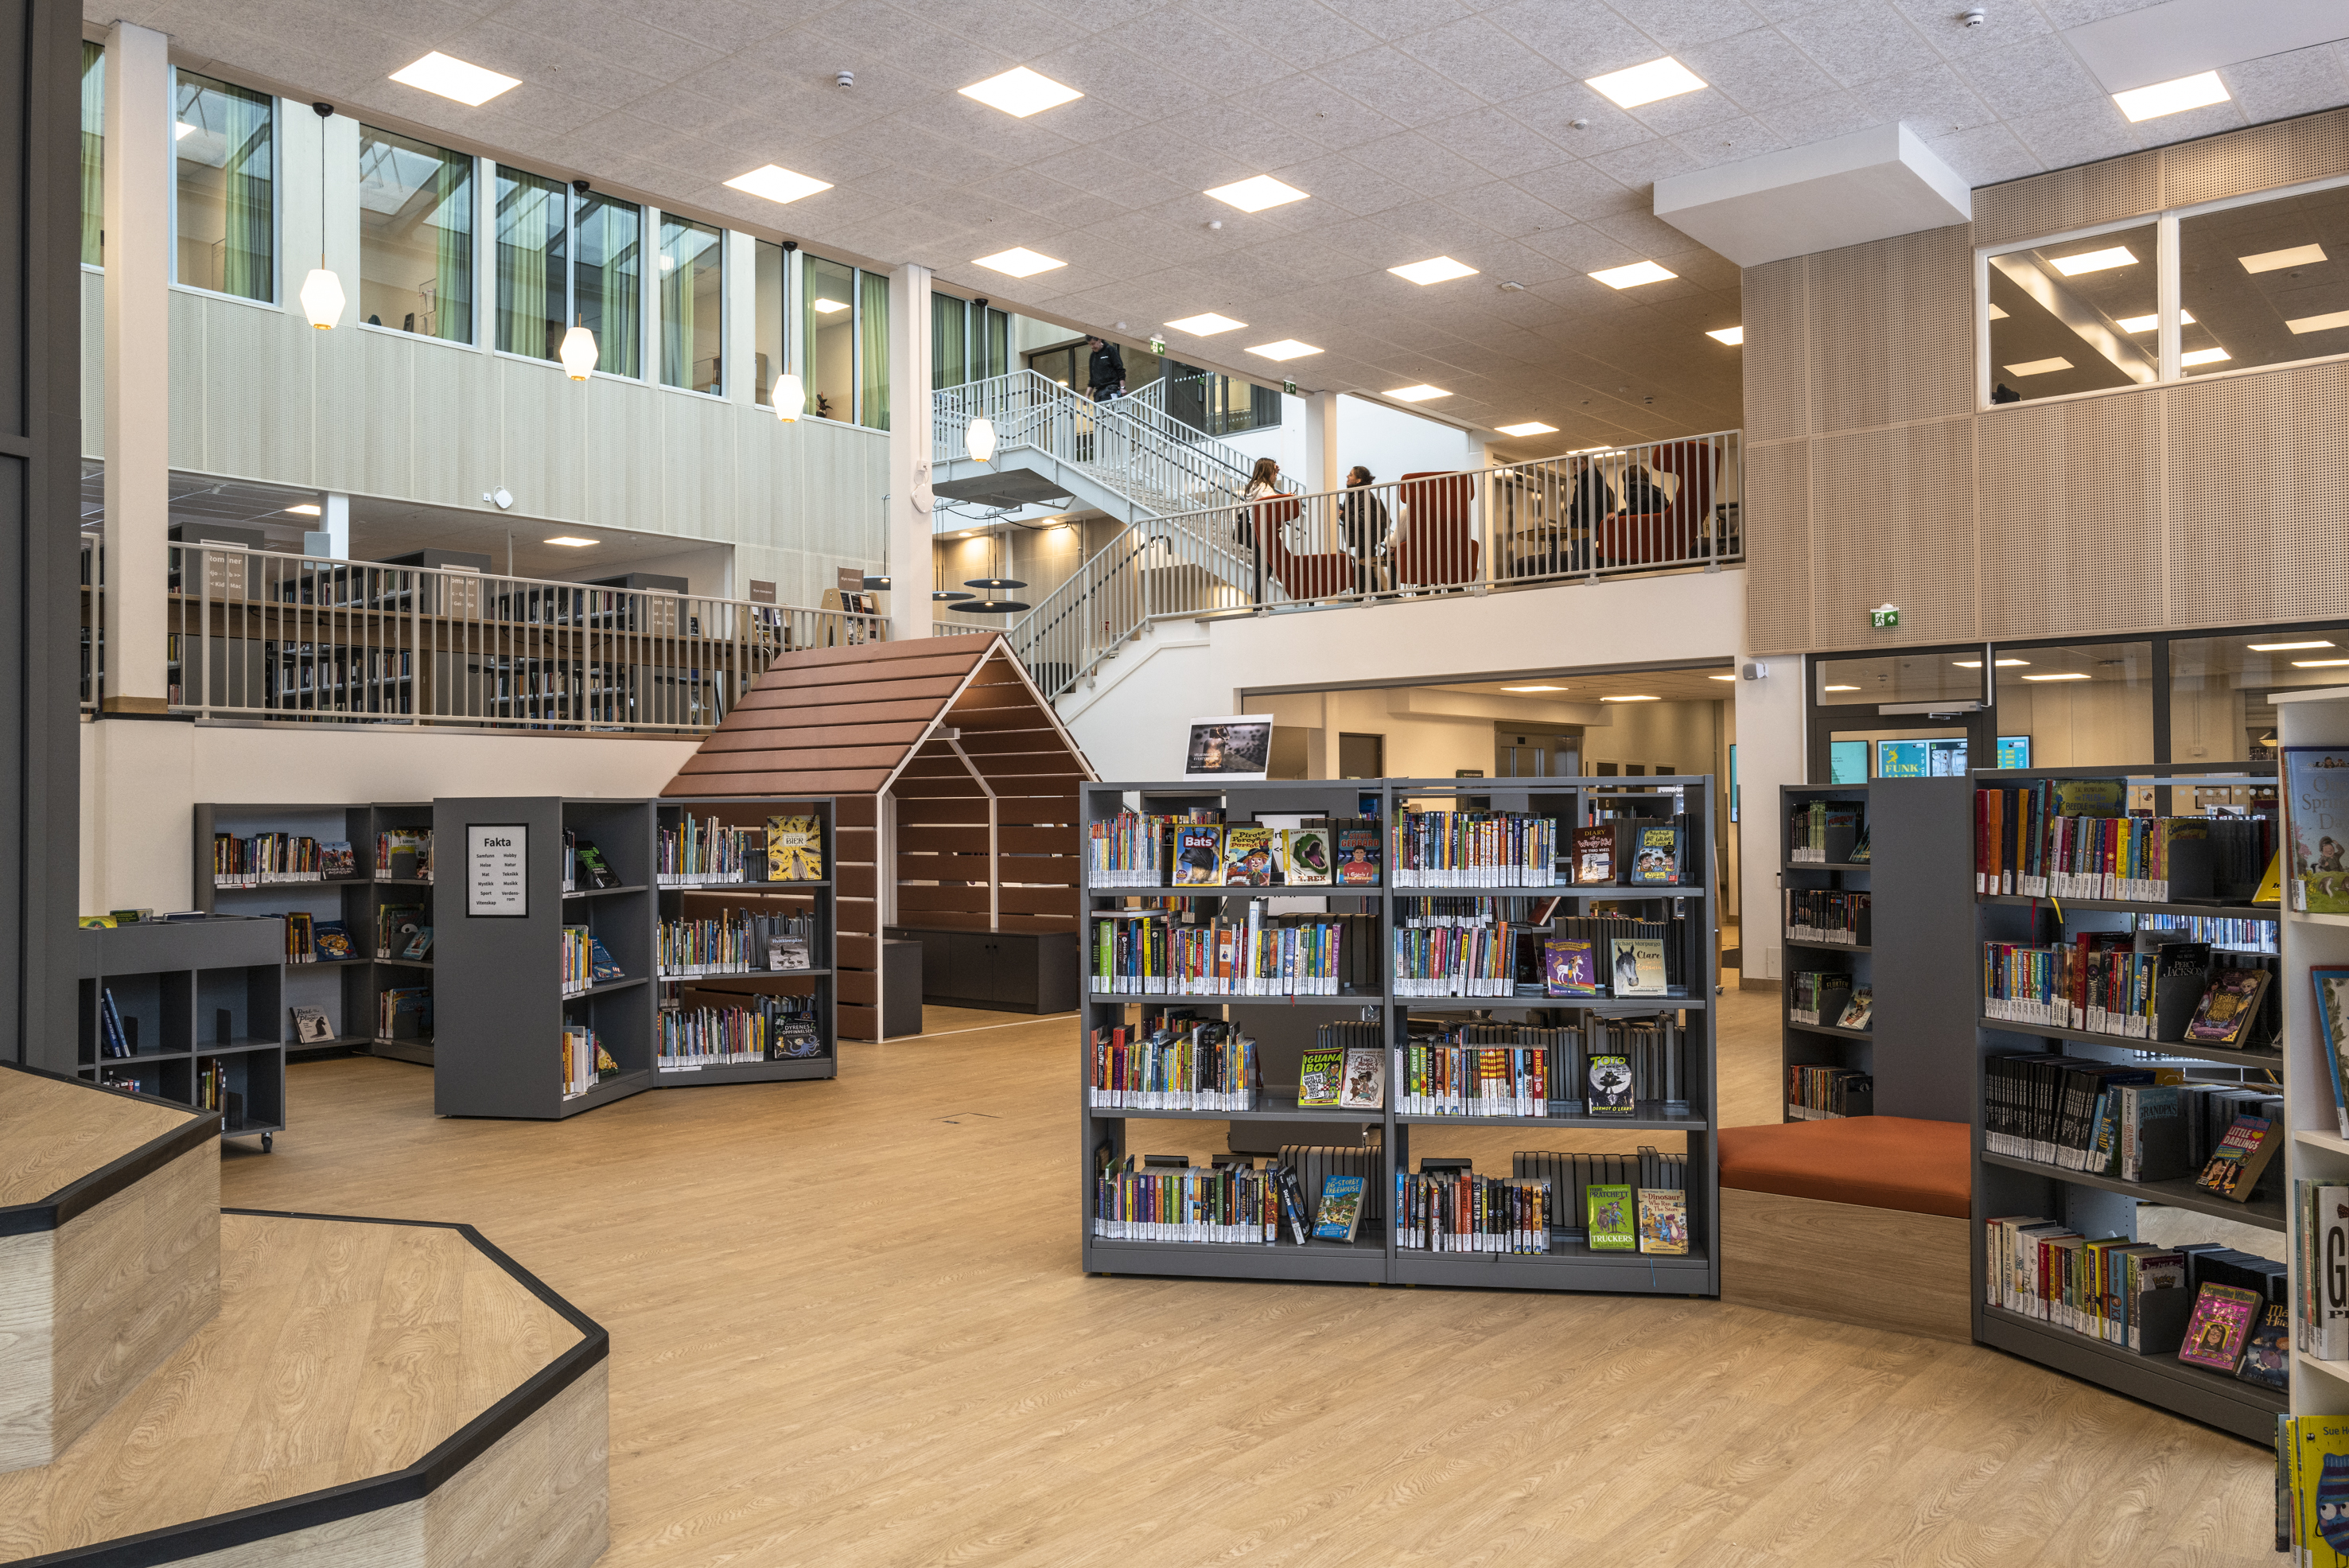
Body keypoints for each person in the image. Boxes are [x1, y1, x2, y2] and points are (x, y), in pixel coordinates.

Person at [1338, 466, 1390, 594]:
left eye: (1351, 475)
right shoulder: (1356, 495)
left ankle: (1368, 596)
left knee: (1362, 569)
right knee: (1364, 569)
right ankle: (1377, 595)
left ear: (1358, 480)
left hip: (1366, 539)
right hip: (1363, 540)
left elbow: (1363, 520)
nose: (1347, 476)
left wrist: (1344, 515)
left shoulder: (1363, 495)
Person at [1237, 457, 1281, 602]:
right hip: (1262, 534)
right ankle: (1258, 605)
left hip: (1255, 533)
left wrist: (1275, 473)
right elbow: (1276, 504)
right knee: (1264, 571)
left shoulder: (1254, 487)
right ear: (1268, 471)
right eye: (1274, 471)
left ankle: (1257, 605)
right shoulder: (1264, 489)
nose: (1275, 474)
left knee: (1260, 571)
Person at [1085, 335, 1125, 401]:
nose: (1092, 347)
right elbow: (1092, 378)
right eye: (1090, 345)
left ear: (1099, 339)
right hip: (1098, 393)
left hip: (1111, 389)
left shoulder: (1110, 350)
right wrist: (1087, 395)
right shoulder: (1093, 356)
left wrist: (1122, 388)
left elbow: (1120, 370)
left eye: (1093, 343)